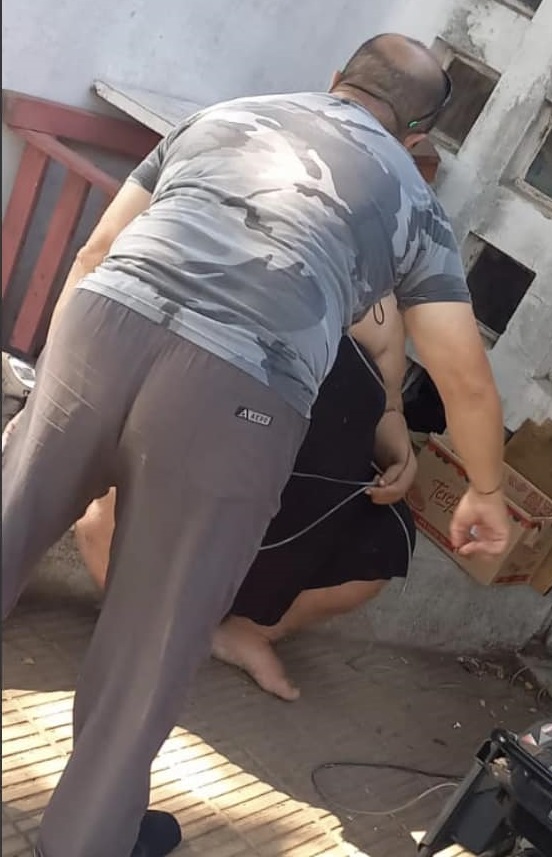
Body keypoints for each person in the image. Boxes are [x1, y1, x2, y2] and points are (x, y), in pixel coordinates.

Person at [1, 33, 510, 857]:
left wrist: (57, 379)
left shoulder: (222, 117)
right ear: (418, 134)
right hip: (236, 392)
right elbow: (463, 375)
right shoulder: (412, 202)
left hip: (101, 327)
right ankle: (88, 838)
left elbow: (97, 249)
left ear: (336, 79)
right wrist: (484, 490)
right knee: (153, 637)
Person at [74, 299, 417, 702]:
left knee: (388, 536)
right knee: (108, 493)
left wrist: (402, 457)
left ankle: (249, 631)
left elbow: (389, 408)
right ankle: (141, 620)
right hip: (193, 478)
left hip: (301, 522)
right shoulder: (245, 267)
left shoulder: (382, 316)